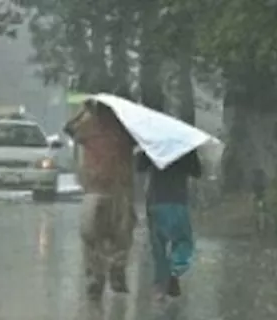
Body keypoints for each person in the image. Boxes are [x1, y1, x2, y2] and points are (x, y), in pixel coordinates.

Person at [64, 99, 136, 298]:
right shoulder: (123, 129)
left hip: (108, 189)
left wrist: (83, 112)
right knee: (113, 235)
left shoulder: (101, 127)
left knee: (98, 236)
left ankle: (107, 273)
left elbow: (69, 128)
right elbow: (69, 129)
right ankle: (106, 273)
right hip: (110, 190)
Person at [138, 149, 201, 297]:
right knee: (183, 240)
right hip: (177, 200)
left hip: (156, 201)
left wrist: (146, 151)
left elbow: (139, 167)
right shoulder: (184, 147)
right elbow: (197, 172)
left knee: (158, 245)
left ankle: (160, 284)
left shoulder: (153, 145)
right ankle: (174, 270)